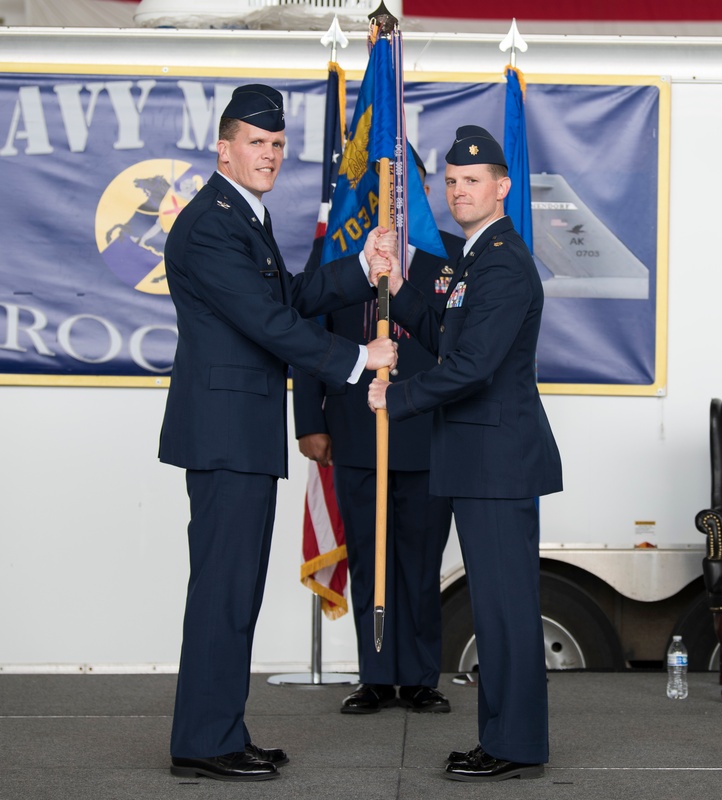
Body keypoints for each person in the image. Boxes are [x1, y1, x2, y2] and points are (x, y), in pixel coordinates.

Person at [158, 84, 398, 782]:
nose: (268, 155)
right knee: (224, 592)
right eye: (254, 144)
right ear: (223, 148)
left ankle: (219, 731)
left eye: (275, 145)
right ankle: (203, 741)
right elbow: (267, 324)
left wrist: (360, 268)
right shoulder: (211, 223)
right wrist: (358, 360)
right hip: (226, 435)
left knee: (235, 592)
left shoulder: (243, 216)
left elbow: (284, 299)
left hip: (241, 433)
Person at [367, 125, 562, 782]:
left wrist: (397, 400)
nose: (458, 192)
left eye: (471, 181)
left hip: (497, 463)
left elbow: (474, 365)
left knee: (505, 611)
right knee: (497, 607)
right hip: (480, 460)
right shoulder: (478, 260)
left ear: (501, 187)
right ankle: (506, 739)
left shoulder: (503, 260)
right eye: (450, 182)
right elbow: (452, 332)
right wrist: (402, 293)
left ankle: (514, 747)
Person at [292, 150, 464, 715]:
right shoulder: (337, 249)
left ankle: (418, 676)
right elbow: (304, 336)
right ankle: (375, 674)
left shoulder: (450, 255)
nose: (394, 197)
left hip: (428, 430)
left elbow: (461, 345)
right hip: (355, 428)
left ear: (421, 191)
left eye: (405, 185)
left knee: (419, 560)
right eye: (382, 185)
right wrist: (310, 422)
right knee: (368, 556)